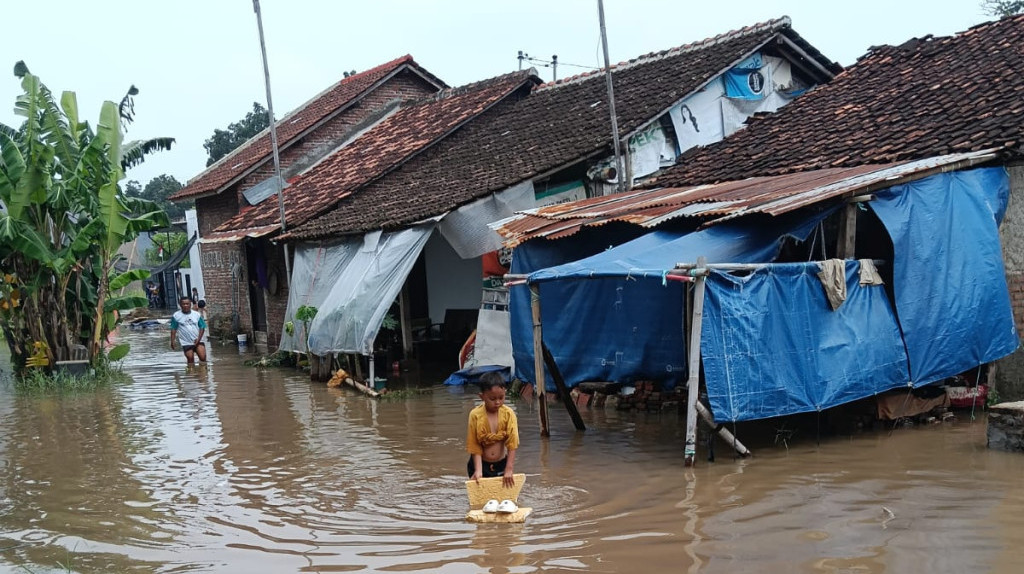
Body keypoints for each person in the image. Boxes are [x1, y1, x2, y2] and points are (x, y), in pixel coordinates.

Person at [466, 372, 519, 487]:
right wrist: (478, 470)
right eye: (492, 399)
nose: (497, 402)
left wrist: (509, 469)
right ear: (482, 397)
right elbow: (474, 445)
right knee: (482, 499)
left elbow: (512, 443)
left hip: (501, 464)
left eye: (501, 397)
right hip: (480, 464)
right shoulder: (475, 415)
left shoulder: (509, 414)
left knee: (503, 498)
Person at [170, 296, 207, 365]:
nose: (185, 306)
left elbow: (202, 327)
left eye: (187, 304)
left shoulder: (197, 315)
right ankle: (191, 374)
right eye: (183, 304)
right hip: (186, 341)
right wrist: (172, 341)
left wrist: (198, 339)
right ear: (180, 305)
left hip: (198, 340)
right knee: (190, 359)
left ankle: (203, 374)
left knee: (203, 358)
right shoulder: (176, 316)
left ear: (190, 304)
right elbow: (173, 329)